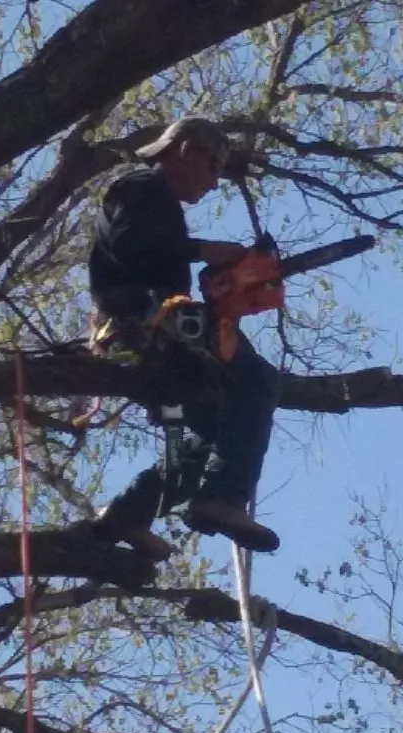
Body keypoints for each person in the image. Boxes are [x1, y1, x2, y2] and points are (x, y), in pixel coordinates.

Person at [88, 117, 280, 560]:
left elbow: (152, 252)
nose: (214, 182)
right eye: (213, 167)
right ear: (185, 148)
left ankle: (129, 512)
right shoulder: (140, 186)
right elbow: (132, 247)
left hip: (153, 321)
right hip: (140, 319)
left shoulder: (159, 207)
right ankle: (225, 497)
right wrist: (202, 250)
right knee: (257, 380)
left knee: (212, 425)